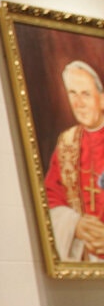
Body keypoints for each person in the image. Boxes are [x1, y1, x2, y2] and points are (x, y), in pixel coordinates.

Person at [44, 60, 104, 261]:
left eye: (85, 94)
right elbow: (50, 200)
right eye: (72, 93)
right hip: (84, 256)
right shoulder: (67, 143)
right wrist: (75, 225)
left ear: (102, 99)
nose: (78, 103)